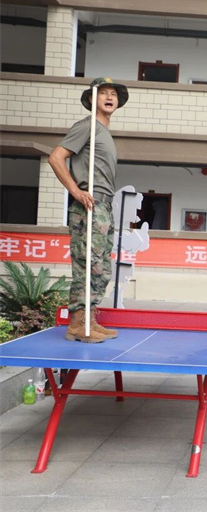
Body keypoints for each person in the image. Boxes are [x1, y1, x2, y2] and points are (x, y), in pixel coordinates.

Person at [48, 77, 129, 343]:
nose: (109, 97)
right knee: (87, 264)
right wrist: (76, 191)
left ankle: (89, 319)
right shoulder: (87, 127)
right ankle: (77, 325)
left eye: (113, 94)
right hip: (90, 205)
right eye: (103, 93)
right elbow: (56, 157)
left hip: (104, 204)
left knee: (101, 267)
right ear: (92, 99)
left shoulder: (103, 131)